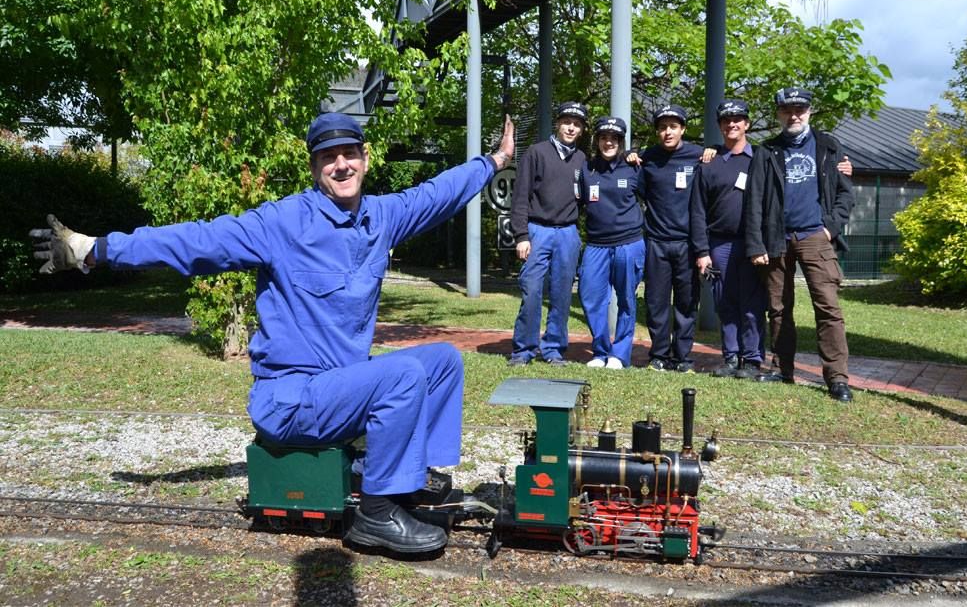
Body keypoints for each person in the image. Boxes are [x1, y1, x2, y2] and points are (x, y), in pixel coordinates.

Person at [29, 110, 516, 552]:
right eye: (329, 158)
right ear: (314, 168)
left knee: (443, 361)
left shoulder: (381, 218)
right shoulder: (281, 223)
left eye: (350, 154)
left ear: (365, 160)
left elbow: (438, 194)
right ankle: (376, 514)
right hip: (291, 400)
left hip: (339, 391)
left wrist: (493, 162)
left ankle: (406, 481)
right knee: (405, 374)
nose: (341, 165)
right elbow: (194, 241)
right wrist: (96, 249)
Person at [745, 87, 855, 401]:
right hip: (777, 238)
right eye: (787, 110)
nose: (793, 115)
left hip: (815, 237)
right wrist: (756, 244)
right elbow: (753, 200)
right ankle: (782, 369)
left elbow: (846, 193)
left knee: (828, 307)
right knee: (778, 308)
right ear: (778, 113)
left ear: (809, 111)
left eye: (800, 110)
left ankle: (837, 378)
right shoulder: (766, 150)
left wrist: (830, 228)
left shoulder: (828, 145)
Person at [690, 99, 766, 379]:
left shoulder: (761, 158)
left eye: (737, 119)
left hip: (753, 244)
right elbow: (697, 210)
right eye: (725, 120)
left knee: (753, 303)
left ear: (746, 124)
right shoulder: (708, 164)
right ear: (720, 125)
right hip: (718, 244)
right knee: (725, 302)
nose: (731, 124)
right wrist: (701, 251)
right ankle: (731, 357)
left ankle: (753, 359)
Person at [508, 101, 587, 366]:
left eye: (576, 124)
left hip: (568, 233)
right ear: (557, 123)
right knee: (531, 291)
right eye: (567, 122)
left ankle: (553, 348)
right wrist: (521, 235)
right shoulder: (536, 152)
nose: (571, 128)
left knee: (562, 294)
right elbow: (520, 196)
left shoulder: (581, 159)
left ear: (582, 130)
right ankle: (524, 349)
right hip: (537, 230)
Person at [630, 105, 704, 373]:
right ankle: (659, 355)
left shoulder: (698, 155)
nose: (667, 132)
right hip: (657, 242)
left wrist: (714, 150)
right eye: (662, 127)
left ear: (683, 129)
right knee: (657, 302)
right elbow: (637, 190)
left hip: (687, 243)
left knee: (686, 303)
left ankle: (683, 357)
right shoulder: (648, 157)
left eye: (673, 126)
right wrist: (630, 156)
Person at [576, 116, 645, 369]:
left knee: (626, 299)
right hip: (596, 245)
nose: (608, 142)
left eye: (614, 138)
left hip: (629, 243)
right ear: (597, 140)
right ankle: (600, 351)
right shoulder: (587, 168)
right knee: (591, 297)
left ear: (621, 142)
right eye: (604, 137)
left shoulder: (634, 167)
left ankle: (620, 354)